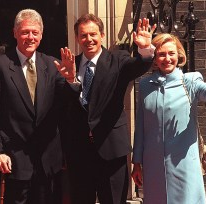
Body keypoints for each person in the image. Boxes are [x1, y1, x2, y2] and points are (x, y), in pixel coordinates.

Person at [54, 14, 156, 204]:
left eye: (93, 34)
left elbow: (138, 66)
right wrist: (70, 80)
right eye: (83, 35)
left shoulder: (118, 60)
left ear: (102, 35)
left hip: (111, 150)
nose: (89, 39)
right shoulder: (69, 65)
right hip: (79, 152)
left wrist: (144, 49)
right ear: (77, 38)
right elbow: (64, 106)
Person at [131, 33, 206, 204]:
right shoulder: (145, 84)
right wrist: (137, 162)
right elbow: (140, 126)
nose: (167, 58)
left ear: (179, 55)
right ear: (155, 58)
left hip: (184, 163)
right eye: (161, 54)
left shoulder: (190, 81)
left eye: (171, 53)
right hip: (153, 164)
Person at [0, 9, 65, 204]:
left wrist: (72, 80)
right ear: (15, 33)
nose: (30, 37)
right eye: (25, 32)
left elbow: (67, 107)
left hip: (48, 161)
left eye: (35, 32)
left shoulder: (54, 65)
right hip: (14, 160)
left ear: (41, 35)